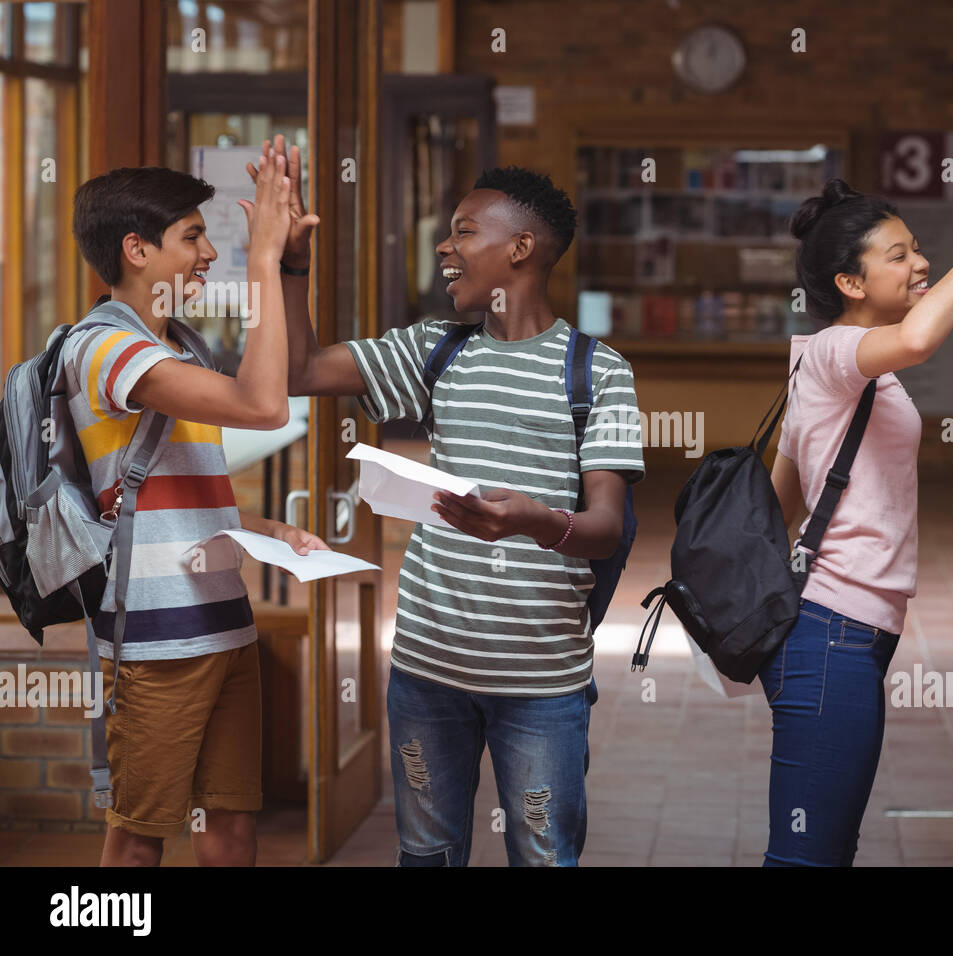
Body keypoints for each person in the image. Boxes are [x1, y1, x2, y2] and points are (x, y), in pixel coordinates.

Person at [256, 136, 645, 867]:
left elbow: (603, 529)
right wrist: (291, 264)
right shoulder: (436, 350)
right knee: (427, 852)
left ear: (522, 248)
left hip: (542, 684)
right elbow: (302, 370)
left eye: (466, 231)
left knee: (542, 853)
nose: (445, 246)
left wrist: (532, 521)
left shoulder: (600, 374)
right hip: (427, 672)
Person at [763, 147, 953, 866]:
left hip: (845, 633)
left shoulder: (841, 366)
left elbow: (777, 503)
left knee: (827, 846)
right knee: (807, 856)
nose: (919, 263)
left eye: (917, 249)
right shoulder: (833, 354)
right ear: (849, 282)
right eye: (900, 255)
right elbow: (921, 339)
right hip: (830, 634)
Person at [68, 155, 329, 867]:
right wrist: (265, 259)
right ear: (136, 250)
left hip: (224, 623)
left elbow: (180, 490)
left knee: (232, 828)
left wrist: (269, 531)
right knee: (139, 837)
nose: (209, 251)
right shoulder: (105, 349)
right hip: (156, 643)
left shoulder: (177, 345)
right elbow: (264, 404)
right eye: (193, 236)